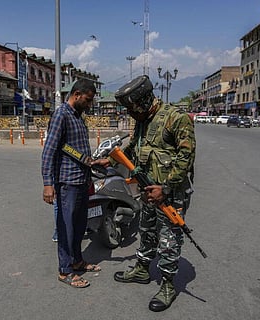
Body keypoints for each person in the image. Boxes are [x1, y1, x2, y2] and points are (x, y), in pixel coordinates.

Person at [98, 75, 196, 312]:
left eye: (132, 108)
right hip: (147, 190)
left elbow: (186, 158)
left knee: (169, 239)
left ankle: (168, 285)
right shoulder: (143, 120)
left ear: (143, 100)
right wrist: (109, 160)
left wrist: (166, 188)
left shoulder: (176, 118)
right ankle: (142, 269)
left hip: (170, 194)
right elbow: (133, 148)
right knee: (147, 230)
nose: (130, 113)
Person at [41, 79, 106, 288]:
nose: (89, 105)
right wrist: (47, 184)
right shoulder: (61, 114)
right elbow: (49, 150)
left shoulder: (78, 116)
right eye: (87, 100)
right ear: (76, 94)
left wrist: (92, 162)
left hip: (81, 179)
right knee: (66, 228)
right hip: (67, 182)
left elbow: (68, 148)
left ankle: (77, 261)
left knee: (79, 227)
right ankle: (65, 271)